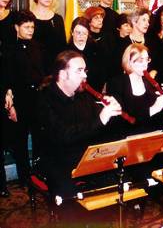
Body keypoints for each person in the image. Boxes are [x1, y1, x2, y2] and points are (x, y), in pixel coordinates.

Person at [36, 50, 122, 199]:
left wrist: (113, 112)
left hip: (83, 155)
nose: (85, 75)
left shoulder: (83, 96)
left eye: (85, 70)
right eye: (79, 71)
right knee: (71, 199)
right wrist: (101, 119)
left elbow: (102, 128)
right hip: (56, 159)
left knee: (117, 182)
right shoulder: (44, 100)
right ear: (63, 74)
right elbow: (63, 136)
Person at [2, 10, 45, 189]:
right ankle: (24, 177)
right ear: (16, 28)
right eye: (26, 27)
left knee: (40, 138)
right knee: (19, 142)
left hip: (38, 99)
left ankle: (39, 173)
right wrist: (10, 105)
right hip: (19, 101)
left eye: (32, 27)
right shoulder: (9, 49)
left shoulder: (37, 46)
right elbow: (6, 79)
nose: (30, 30)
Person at [106, 43, 163, 137]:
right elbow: (121, 120)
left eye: (147, 60)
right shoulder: (116, 83)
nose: (145, 64)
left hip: (155, 134)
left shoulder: (151, 82)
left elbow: (162, 116)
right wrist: (153, 109)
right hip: (129, 136)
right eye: (140, 60)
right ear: (129, 61)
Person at [0, 0, 16, 197]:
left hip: (4, 80)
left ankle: (2, 184)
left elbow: (12, 58)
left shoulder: (11, 19)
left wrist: (9, 90)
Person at [31, 0, 66, 74]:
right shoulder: (28, 17)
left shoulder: (58, 19)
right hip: (33, 66)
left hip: (54, 67)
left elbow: (62, 46)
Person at [67, 17, 106, 92]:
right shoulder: (66, 51)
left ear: (88, 33)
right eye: (78, 32)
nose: (81, 36)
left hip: (94, 91)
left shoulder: (97, 49)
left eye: (84, 33)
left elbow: (102, 73)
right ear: (72, 32)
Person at [110, 13, 131, 80]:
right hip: (112, 76)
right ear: (118, 27)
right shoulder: (110, 40)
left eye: (130, 26)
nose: (129, 28)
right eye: (126, 25)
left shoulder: (129, 41)